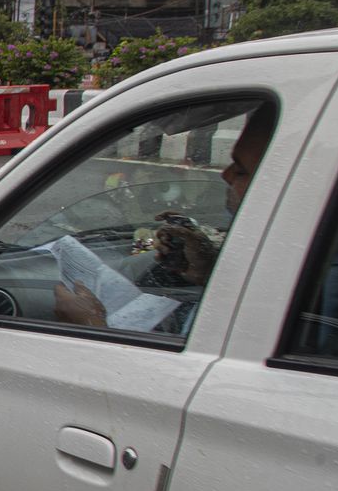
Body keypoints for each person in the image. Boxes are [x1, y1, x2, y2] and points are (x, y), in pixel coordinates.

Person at [54, 104, 274, 330]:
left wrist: (91, 324)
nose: (225, 175)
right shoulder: (275, 266)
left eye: (241, 170)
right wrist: (206, 271)